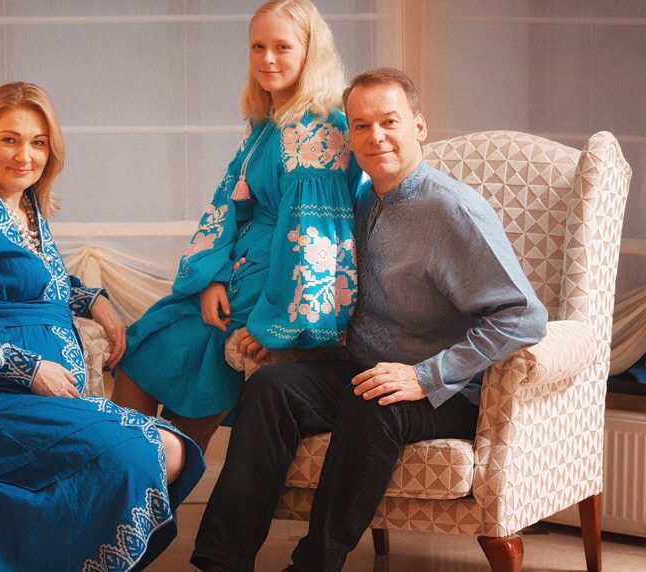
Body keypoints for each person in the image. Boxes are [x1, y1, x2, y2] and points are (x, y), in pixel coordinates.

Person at [191, 67, 549, 572]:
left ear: (419, 127)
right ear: (349, 135)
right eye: (360, 125)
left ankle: (314, 564)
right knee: (271, 388)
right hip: (359, 367)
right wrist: (276, 332)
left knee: (372, 400)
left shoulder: (453, 211)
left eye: (389, 121)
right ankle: (219, 563)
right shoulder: (356, 200)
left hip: (443, 391)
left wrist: (425, 376)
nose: (374, 136)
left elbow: (523, 318)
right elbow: (314, 278)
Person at [0, 82, 206, 571]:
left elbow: (32, 285)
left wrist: (94, 299)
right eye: (10, 139)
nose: (25, 155)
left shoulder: (25, 211)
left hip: (28, 398)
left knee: (170, 450)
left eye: (38, 142)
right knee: (148, 453)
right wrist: (27, 369)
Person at [113, 0, 361, 450]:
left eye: (282, 47)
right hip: (234, 275)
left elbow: (314, 244)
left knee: (198, 365)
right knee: (144, 347)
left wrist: (272, 327)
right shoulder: (267, 122)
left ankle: (155, 491)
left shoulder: (319, 130)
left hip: (273, 289)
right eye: (257, 46)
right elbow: (227, 202)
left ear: (310, 52)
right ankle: (134, 495)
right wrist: (211, 277)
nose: (267, 59)